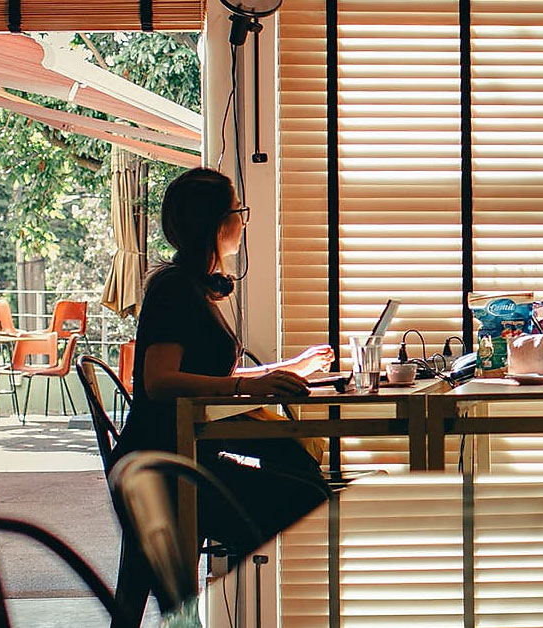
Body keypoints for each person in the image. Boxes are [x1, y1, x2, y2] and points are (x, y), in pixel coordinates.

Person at [110, 168, 335, 614]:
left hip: (179, 460)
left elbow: (208, 375)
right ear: (215, 223)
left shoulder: (192, 286)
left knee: (304, 479)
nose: (244, 221)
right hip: (167, 472)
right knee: (309, 498)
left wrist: (292, 366)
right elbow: (158, 381)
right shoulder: (174, 290)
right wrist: (246, 386)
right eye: (238, 211)